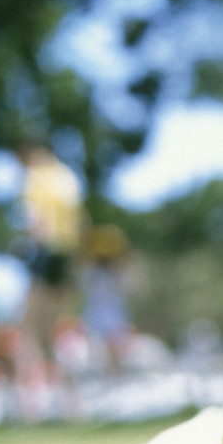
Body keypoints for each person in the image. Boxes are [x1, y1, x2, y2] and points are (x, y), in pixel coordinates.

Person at [13, 145, 83, 420]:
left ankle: (28, 409)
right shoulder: (67, 177)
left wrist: (28, 248)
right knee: (58, 331)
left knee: (30, 330)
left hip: (45, 254)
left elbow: (35, 221)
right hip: (65, 258)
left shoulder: (36, 178)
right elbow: (79, 222)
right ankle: (73, 406)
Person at [80, 223, 134, 373]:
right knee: (105, 352)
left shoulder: (113, 274)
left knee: (115, 350)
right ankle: (112, 375)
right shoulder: (93, 273)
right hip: (101, 315)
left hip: (112, 315)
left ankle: (115, 375)